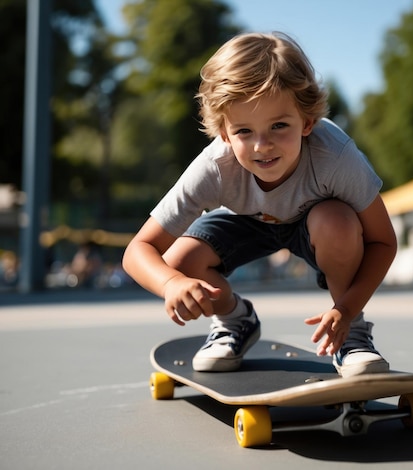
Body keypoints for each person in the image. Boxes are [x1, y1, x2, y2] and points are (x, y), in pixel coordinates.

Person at [122, 32, 397, 378]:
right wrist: (170, 284)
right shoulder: (214, 167)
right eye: (244, 132)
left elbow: (383, 241)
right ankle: (236, 320)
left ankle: (352, 335)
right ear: (224, 133)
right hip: (246, 220)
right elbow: (139, 249)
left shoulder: (335, 156)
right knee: (179, 261)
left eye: (279, 126)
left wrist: (346, 308)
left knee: (336, 222)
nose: (261, 145)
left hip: (315, 220)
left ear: (307, 123)